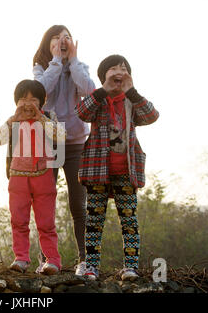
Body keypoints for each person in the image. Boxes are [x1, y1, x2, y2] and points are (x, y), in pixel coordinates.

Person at [75, 54, 159, 281]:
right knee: (94, 222)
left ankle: (130, 266)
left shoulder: (131, 101)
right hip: (97, 171)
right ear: (104, 76)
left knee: (129, 220)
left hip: (126, 171)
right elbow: (81, 112)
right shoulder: (98, 100)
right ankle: (91, 267)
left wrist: (131, 91)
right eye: (113, 68)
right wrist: (103, 90)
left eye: (123, 68)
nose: (119, 72)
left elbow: (152, 115)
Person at [33, 24, 95, 275]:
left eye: (66, 38)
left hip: (75, 142)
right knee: (45, 203)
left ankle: (85, 260)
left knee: (78, 205)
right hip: (48, 142)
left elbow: (90, 92)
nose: (62, 41)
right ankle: (48, 260)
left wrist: (74, 62)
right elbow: (40, 92)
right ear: (48, 44)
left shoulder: (79, 67)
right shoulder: (40, 68)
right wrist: (56, 62)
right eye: (57, 39)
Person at [0, 79, 65, 275]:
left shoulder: (49, 117)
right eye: (23, 100)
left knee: (46, 222)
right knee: (18, 219)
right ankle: (21, 258)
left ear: (42, 101)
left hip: (43, 175)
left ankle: (53, 260)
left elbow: (61, 136)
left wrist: (40, 117)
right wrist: (12, 120)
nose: (28, 104)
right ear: (16, 102)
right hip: (18, 175)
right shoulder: (14, 121)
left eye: (33, 99)